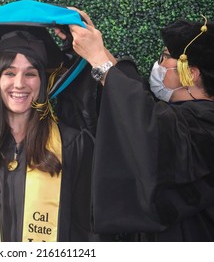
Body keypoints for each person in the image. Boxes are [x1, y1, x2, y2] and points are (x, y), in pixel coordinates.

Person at [0, 18, 117, 241]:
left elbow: (87, 231)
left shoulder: (71, 144)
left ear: (42, 82)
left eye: (30, 74)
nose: (19, 84)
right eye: (10, 73)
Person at [70, 15, 214, 241]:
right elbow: (139, 102)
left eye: (165, 57)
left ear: (191, 74)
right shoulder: (182, 113)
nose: (158, 64)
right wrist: (93, 41)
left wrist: (99, 59)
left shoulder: (205, 123)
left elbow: (147, 125)